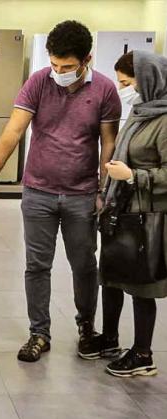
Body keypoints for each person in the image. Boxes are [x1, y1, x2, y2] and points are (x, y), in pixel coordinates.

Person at [0, 20, 121, 362]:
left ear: (86, 59)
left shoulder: (105, 90)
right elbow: (14, 130)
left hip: (82, 194)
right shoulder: (39, 81)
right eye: (54, 64)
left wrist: (104, 190)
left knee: (84, 265)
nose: (59, 72)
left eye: (67, 67)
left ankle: (87, 328)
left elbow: (108, 144)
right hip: (38, 191)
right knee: (37, 266)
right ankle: (39, 333)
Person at [80, 51, 167, 377]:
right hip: (121, 210)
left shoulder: (163, 120)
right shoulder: (140, 112)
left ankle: (143, 354)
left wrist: (132, 175)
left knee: (142, 286)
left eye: (127, 82)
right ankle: (110, 338)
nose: (122, 89)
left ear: (148, 80)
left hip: (147, 216)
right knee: (112, 277)